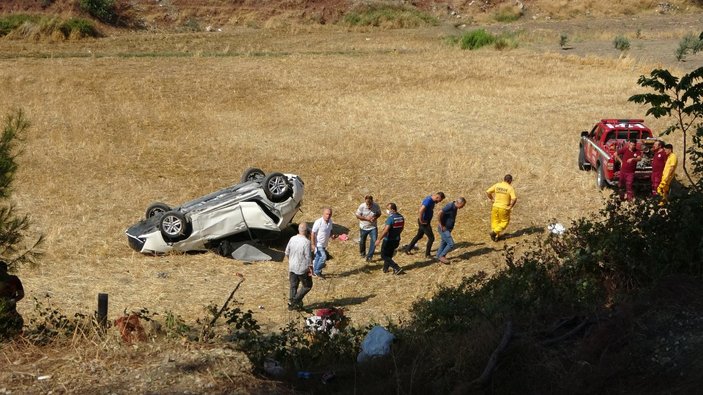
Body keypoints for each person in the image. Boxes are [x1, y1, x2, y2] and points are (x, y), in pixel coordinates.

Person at [403, 192, 445, 258]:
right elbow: (421, 210)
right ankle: (427, 254)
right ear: (438, 197)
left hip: (426, 221)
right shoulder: (428, 201)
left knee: (419, 236)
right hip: (424, 223)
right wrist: (421, 220)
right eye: (439, 200)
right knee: (431, 238)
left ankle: (408, 249)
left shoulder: (432, 200)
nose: (439, 202)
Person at [285, 223, 313, 311]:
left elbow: (286, 252)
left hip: (292, 267)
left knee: (293, 286)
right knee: (307, 286)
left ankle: (291, 305)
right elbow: (308, 258)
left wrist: (291, 261)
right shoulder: (306, 242)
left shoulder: (292, 239)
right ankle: (294, 301)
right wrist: (311, 269)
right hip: (302, 269)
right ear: (306, 231)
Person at [375, 203, 405, 275]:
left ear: (392, 209)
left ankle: (396, 268)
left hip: (388, 240)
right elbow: (402, 228)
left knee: (384, 255)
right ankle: (385, 269)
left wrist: (379, 239)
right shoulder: (401, 217)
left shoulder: (391, 218)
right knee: (389, 255)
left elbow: (386, 230)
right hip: (396, 239)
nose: (387, 211)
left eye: (388, 209)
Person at [486, 174, 517, 242]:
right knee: (504, 222)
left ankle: (496, 236)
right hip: (504, 208)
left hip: (495, 206)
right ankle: (494, 232)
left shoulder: (497, 185)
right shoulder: (510, 188)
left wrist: (492, 199)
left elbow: (488, 192)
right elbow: (514, 199)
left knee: (495, 221)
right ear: (509, 180)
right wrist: (510, 206)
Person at [436, 197, 466, 264]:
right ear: (459, 203)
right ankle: (442, 256)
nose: (463, 207)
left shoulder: (455, 207)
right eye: (462, 205)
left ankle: (438, 256)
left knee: (444, 242)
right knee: (451, 244)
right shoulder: (450, 206)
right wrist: (441, 225)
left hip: (448, 228)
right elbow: (440, 212)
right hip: (444, 228)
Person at [0, 261, 24, 340]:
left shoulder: (14, 279)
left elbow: (21, 294)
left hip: (10, 310)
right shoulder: (14, 279)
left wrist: (13, 300)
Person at [355, 195, 381, 262]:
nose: (369, 206)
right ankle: (362, 253)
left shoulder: (376, 205)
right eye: (367, 204)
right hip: (363, 227)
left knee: (374, 241)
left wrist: (375, 218)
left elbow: (379, 213)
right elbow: (357, 216)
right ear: (365, 201)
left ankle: (369, 256)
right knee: (362, 241)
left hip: (373, 227)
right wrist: (366, 219)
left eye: (370, 204)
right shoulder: (362, 206)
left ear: (372, 201)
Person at [311, 207, 333, 279]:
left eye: (329, 214)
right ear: (323, 214)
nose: (328, 216)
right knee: (323, 257)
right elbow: (313, 233)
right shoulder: (318, 222)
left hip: (324, 244)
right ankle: (317, 271)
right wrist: (313, 244)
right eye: (326, 214)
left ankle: (314, 271)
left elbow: (330, 230)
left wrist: (332, 236)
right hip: (318, 244)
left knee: (318, 257)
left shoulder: (330, 222)